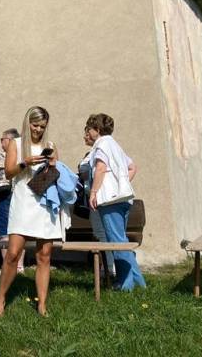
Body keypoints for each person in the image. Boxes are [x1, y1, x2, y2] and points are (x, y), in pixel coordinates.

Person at [0, 106, 66, 317]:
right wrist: (25, 163)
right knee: (13, 253)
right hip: (24, 200)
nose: (38, 130)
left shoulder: (50, 145)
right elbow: (8, 173)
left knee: (44, 255)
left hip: (44, 202)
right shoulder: (16, 144)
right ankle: (1, 298)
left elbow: (56, 175)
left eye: (42, 126)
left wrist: (53, 164)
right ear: (27, 123)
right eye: (35, 125)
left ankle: (42, 305)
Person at [86, 113, 145, 291]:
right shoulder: (115, 145)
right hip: (123, 199)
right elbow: (132, 167)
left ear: (96, 129)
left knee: (116, 242)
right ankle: (138, 283)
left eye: (89, 128)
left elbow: (101, 168)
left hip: (110, 202)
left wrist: (94, 192)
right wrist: (123, 185)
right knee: (121, 241)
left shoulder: (102, 144)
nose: (87, 132)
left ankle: (126, 285)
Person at [0, 129, 24, 275]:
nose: (1, 142)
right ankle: (19, 267)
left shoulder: (2, 156)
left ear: (10, 140)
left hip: (3, 195)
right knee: (19, 231)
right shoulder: (23, 155)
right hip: (19, 196)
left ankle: (7, 267)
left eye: (3, 139)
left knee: (3, 231)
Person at [77, 126, 115, 278]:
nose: (85, 136)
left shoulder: (99, 151)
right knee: (100, 234)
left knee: (105, 234)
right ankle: (107, 268)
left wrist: (94, 191)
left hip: (99, 199)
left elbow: (94, 170)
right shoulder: (94, 152)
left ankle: (110, 269)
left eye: (87, 132)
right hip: (94, 200)